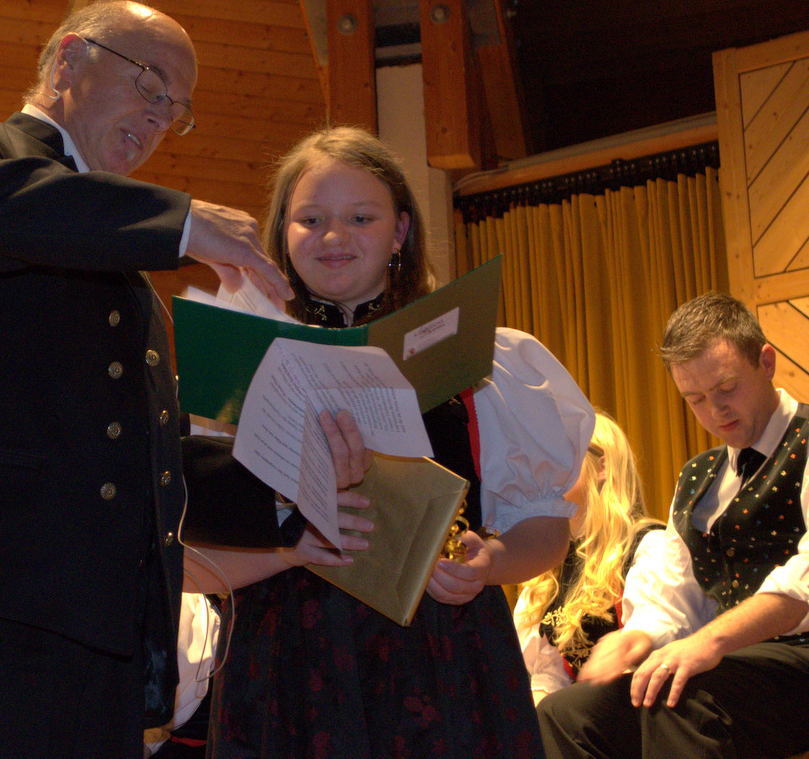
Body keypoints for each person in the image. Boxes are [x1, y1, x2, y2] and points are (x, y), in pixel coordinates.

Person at [0, 0, 370, 759]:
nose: (159, 117)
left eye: (177, 110)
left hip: (102, 626)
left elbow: (147, 462)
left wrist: (292, 484)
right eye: (150, 85)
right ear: (67, 61)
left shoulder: (130, 279)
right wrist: (181, 220)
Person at [205, 126, 596, 758]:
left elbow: (546, 530)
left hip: (441, 652)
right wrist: (287, 542)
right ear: (282, 232)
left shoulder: (482, 360)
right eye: (311, 219)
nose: (334, 237)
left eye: (361, 217)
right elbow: (193, 552)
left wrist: (491, 563)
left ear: (400, 230)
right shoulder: (234, 364)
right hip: (285, 659)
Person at [536, 291, 809, 759]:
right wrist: (636, 638)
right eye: (695, 399)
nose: (715, 410)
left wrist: (710, 641)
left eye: (727, 388)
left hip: (800, 656)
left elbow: (804, 580)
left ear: (766, 362)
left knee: (678, 694)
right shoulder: (698, 476)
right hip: (740, 666)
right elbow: (676, 598)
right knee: (566, 713)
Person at [514, 411, 665, 703]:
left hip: (642, 705)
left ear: (601, 467)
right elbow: (549, 677)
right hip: (583, 714)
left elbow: (659, 637)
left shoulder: (648, 547)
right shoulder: (547, 575)